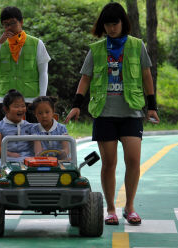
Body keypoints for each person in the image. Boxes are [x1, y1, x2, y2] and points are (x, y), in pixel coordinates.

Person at [64, 2, 159, 226]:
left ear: (122, 23)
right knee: (109, 163)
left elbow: (146, 76)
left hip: (132, 112)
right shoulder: (96, 49)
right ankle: (110, 209)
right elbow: (85, 78)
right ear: (103, 25)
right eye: (107, 24)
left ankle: (130, 207)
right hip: (104, 113)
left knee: (133, 160)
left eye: (115, 23)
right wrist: (77, 104)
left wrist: (152, 105)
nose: (111, 28)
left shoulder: (137, 46)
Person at [0, 6, 51, 123]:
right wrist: (0, 42)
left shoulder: (36, 43)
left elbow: (43, 72)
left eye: (12, 23)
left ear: (21, 22)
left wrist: (42, 99)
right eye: (5, 24)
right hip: (6, 100)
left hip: (31, 99)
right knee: (6, 136)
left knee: (32, 136)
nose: (9, 27)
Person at [0, 89, 34, 162]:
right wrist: (10, 154)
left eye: (23, 106)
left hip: (29, 160)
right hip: (8, 160)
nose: (20, 109)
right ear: (6, 109)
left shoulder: (30, 126)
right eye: (16, 107)